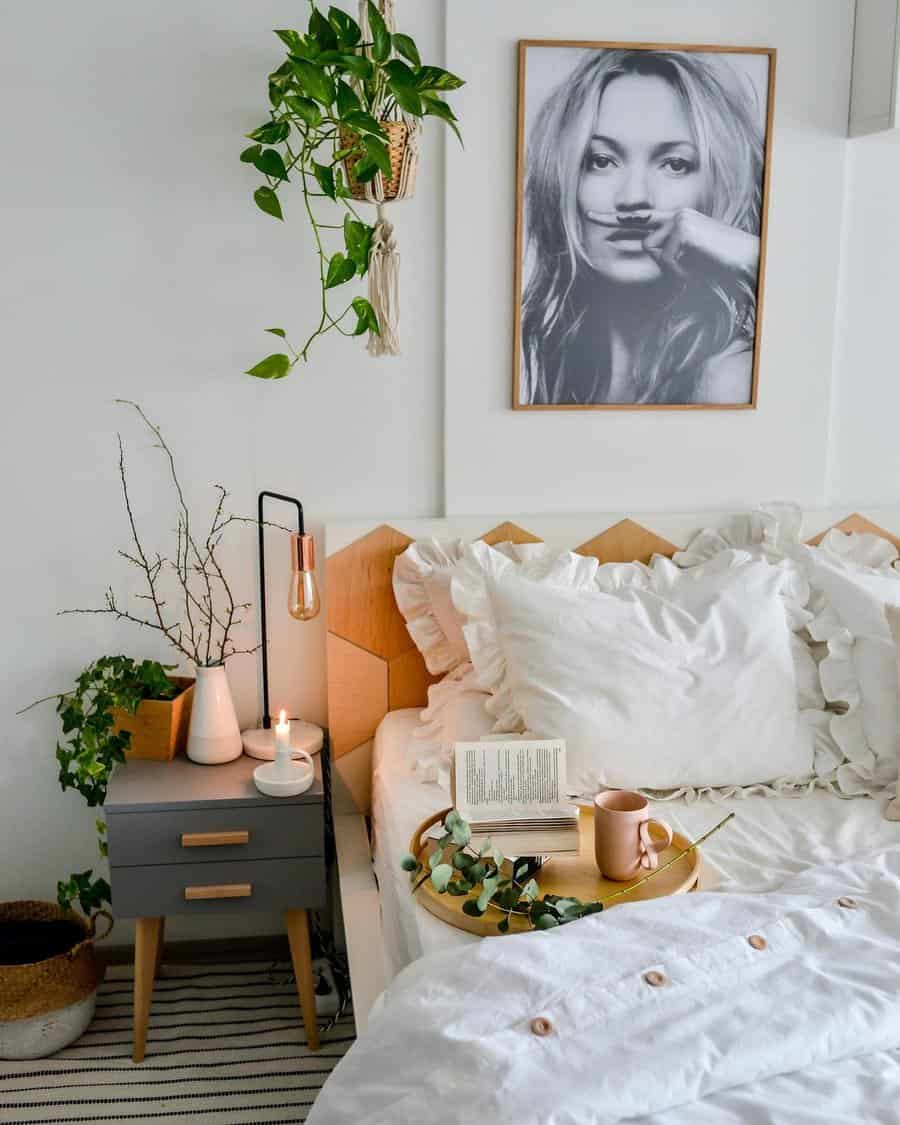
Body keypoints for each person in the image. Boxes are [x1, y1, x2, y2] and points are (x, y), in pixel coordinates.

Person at [520, 48, 766, 406]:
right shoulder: (556, 369)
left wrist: (753, 256)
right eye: (602, 160)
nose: (634, 197)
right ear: (562, 180)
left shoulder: (729, 378)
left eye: (675, 164)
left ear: (718, 182)